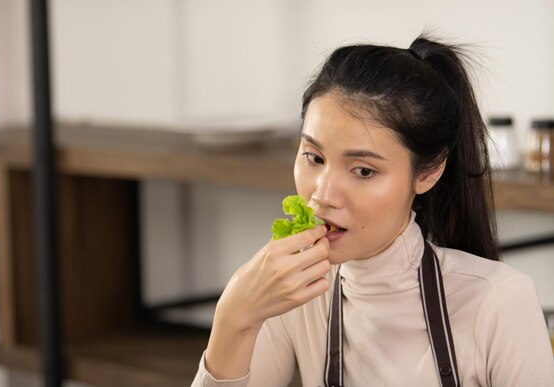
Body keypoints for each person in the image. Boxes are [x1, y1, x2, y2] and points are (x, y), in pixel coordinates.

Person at [191, 35, 554, 387]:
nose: (323, 194)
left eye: (363, 170)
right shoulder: (297, 291)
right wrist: (233, 317)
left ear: (428, 172)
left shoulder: (501, 301)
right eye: (314, 157)